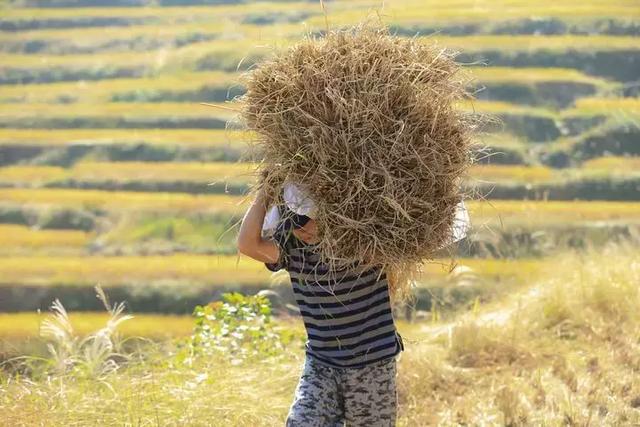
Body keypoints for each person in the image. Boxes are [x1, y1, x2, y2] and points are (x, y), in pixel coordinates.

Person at [237, 181, 404, 427]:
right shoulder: (291, 248)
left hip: (372, 363)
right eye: (294, 222)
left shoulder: (360, 242)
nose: (302, 231)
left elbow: (398, 242)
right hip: (321, 363)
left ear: (326, 214)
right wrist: (266, 191)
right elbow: (247, 245)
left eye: (306, 221)